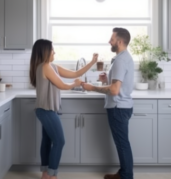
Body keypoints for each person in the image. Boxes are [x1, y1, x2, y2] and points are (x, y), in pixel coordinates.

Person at [29, 39, 98, 179]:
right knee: (60, 141)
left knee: (47, 141)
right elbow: (62, 85)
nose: (54, 51)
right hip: (46, 110)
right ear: (45, 51)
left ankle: (45, 174)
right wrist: (75, 84)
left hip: (46, 110)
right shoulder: (45, 66)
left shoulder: (52, 66)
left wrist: (92, 62)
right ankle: (52, 175)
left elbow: (75, 73)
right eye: (52, 49)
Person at [82, 28, 134, 179]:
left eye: (111, 39)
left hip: (118, 107)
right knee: (122, 143)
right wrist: (107, 80)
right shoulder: (124, 57)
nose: (109, 41)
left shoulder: (120, 60)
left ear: (119, 41)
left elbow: (115, 90)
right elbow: (118, 84)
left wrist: (92, 88)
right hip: (123, 106)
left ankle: (126, 176)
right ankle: (123, 173)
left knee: (122, 144)